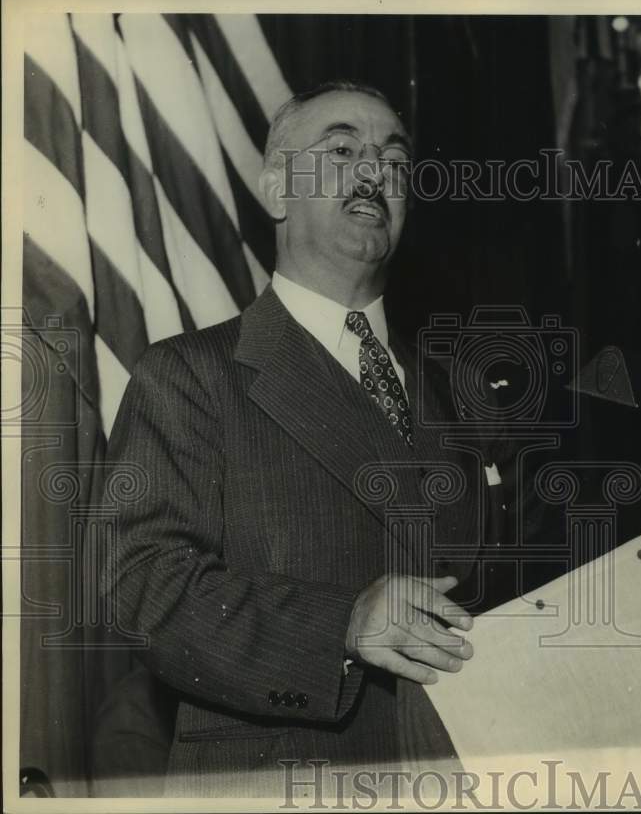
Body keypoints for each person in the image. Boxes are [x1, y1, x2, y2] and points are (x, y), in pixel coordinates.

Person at [102, 81, 493, 797]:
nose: (376, 172)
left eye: (396, 163)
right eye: (342, 149)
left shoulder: (461, 393)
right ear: (277, 189)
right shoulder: (191, 377)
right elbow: (145, 589)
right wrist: (340, 625)